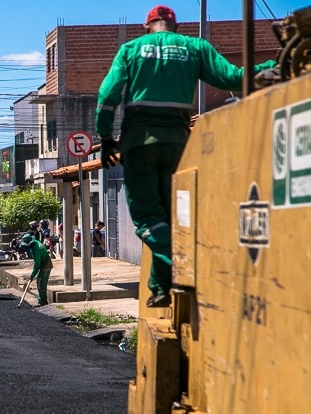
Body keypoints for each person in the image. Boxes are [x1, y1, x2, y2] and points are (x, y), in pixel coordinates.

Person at [95, 5, 276, 308]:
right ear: (175, 27)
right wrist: (271, 66)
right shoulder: (195, 47)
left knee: (147, 218)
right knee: (169, 216)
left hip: (139, 143)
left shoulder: (131, 49)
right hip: (178, 142)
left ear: (146, 26)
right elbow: (232, 77)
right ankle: (161, 287)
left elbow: (107, 96)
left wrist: (104, 138)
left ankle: (185, 262)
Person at [20, 234, 53, 306]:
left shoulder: (36, 249)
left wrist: (32, 275)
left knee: (41, 282)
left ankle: (42, 301)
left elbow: (37, 265)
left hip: (45, 265)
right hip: (44, 263)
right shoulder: (36, 242)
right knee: (40, 282)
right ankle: (43, 300)